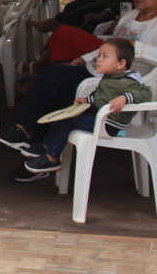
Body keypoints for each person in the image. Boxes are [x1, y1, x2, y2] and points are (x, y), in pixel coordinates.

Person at [0, 0, 157, 167]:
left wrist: (136, 47)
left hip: (122, 82)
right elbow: (110, 46)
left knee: (69, 91)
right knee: (53, 73)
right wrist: (84, 58)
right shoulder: (130, 16)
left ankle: (45, 147)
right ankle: (24, 129)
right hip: (100, 70)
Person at [20, 38, 151, 175]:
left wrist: (125, 98)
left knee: (70, 121)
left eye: (105, 56)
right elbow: (102, 97)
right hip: (99, 118)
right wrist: (87, 100)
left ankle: (52, 157)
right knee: (65, 116)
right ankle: (46, 146)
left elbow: (145, 93)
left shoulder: (128, 81)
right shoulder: (111, 76)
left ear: (121, 63)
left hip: (110, 126)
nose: (98, 60)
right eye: (99, 55)